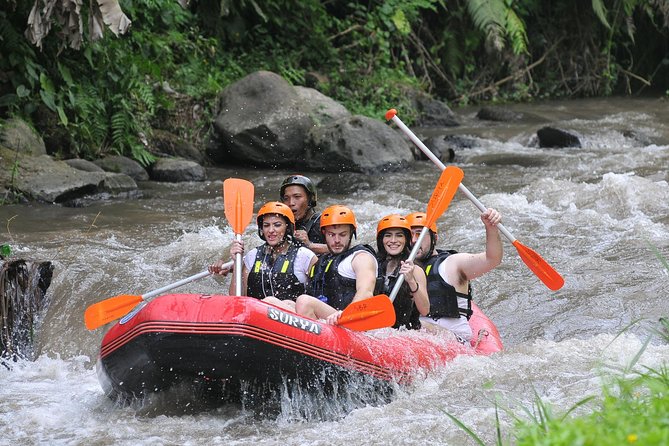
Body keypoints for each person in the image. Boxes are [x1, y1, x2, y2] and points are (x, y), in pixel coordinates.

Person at [405, 208, 503, 342]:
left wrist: (491, 228)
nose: (414, 240)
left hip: (453, 339)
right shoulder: (401, 268)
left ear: (435, 238)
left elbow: (492, 259)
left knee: (411, 325)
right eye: (409, 235)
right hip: (416, 336)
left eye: (420, 234)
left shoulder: (451, 263)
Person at [209, 201, 318, 309]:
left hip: (292, 317)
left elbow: (318, 297)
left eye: (277, 225)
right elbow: (237, 299)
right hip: (257, 319)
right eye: (266, 225)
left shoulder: (304, 256)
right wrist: (237, 261)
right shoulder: (252, 256)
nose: (271, 230)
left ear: (287, 227)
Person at [293, 205, 379, 324]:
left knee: (304, 302)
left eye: (342, 235)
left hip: (350, 322)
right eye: (331, 235)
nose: (337, 240)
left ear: (351, 234)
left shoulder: (361, 257)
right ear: (324, 234)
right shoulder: (322, 260)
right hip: (327, 321)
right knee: (274, 302)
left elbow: (366, 292)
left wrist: (347, 313)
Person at [375, 214, 430, 329]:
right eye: (388, 235)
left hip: (405, 331)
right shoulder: (374, 264)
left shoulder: (415, 270)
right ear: (381, 240)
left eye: (399, 236)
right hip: (380, 328)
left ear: (406, 240)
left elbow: (425, 310)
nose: (393, 240)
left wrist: (411, 281)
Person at [279, 174, 328, 255]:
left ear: (310, 199)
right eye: (286, 198)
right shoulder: (280, 224)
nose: (291, 203)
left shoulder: (323, 223)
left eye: (297, 197)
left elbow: (344, 248)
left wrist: (309, 245)